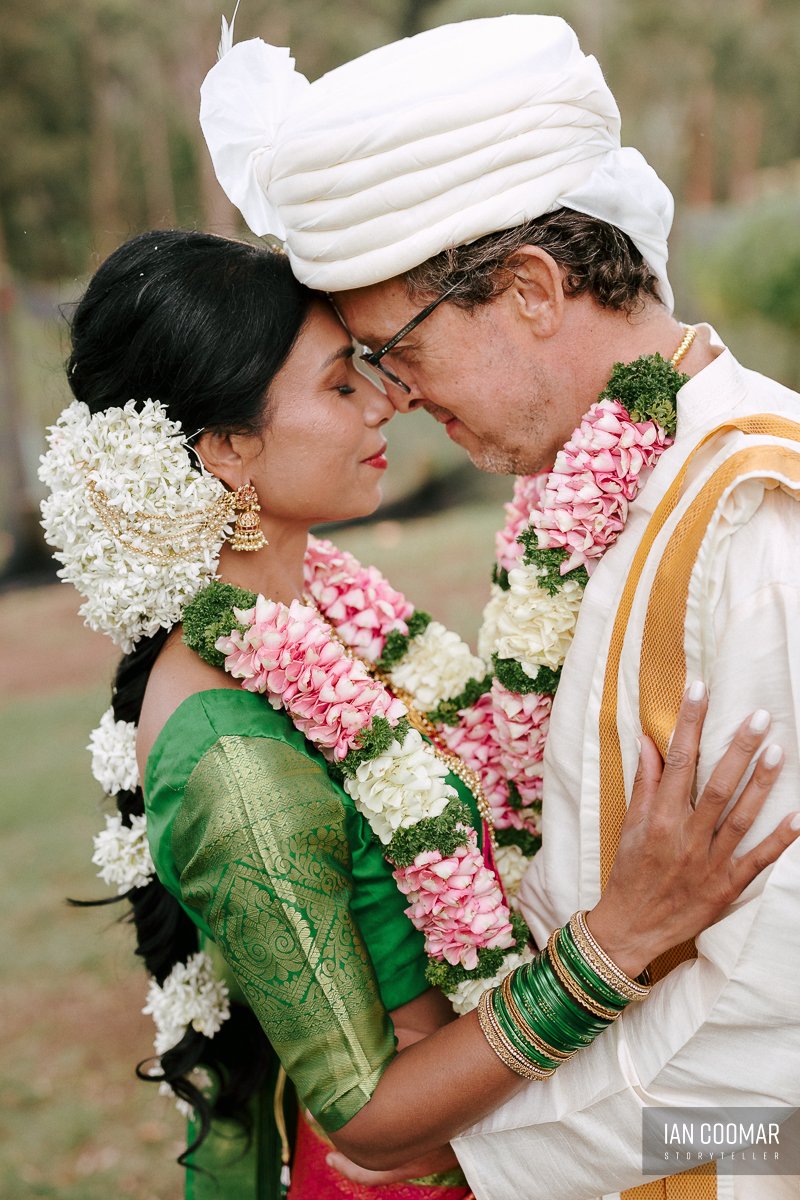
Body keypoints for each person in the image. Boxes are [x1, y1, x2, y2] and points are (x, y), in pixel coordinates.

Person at [41, 228, 796, 1200]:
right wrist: (613, 942)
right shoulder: (229, 753)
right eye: (343, 384)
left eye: (385, 363)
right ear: (229, 449)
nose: (386, 401)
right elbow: (369, 1120)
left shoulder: (327, 611)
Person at [197, 13, 800, 1200]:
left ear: (528, 288)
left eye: (395, 351)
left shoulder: (754, 521)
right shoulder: (600, 477)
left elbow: (773, 1084)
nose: (395, 401)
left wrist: (470, 1150)